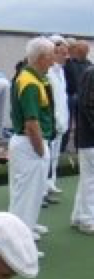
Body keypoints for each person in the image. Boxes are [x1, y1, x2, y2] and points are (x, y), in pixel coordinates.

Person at [8, 36, 55, 257]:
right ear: (41, 57)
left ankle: (23, 235)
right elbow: (31, 123)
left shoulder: (31, 78)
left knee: (31, 195)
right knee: (26, 197)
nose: (53, 61)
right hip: (30, 144)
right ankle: (19, 245)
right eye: (51, 56)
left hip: (29, 143)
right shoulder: (30, 82)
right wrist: (40, 150)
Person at [44, 35, 70, 202]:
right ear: (53, 52)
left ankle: (51, 182)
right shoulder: (47, 72)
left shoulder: (61, 71)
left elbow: (62, 97)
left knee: (54, 156)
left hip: (61, 120)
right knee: (47, 156)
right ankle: (43, 188)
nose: (66, 57)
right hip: (51, 121)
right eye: (63, 53)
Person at [71, 65, 94, 234]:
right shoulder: (91, 74)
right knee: (90, 180)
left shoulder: (89, 73)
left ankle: (79, 216)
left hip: (88, 137)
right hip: (90, 138)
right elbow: (87, 104)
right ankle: (87, 220)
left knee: (87, 179)